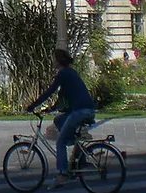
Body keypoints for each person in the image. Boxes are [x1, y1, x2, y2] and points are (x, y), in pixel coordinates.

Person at [27, 49, 96, 189]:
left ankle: (62, 174)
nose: (53, 61)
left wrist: (32, 106)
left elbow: (49, 91)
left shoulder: (63, 74)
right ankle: (78, 153)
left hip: (80, 111)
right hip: (87, 110)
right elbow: (61, 99)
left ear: (58, 61)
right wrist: (50, 109)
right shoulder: (71, 73)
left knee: (60, 142)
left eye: (54, 59)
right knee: (58, 120)